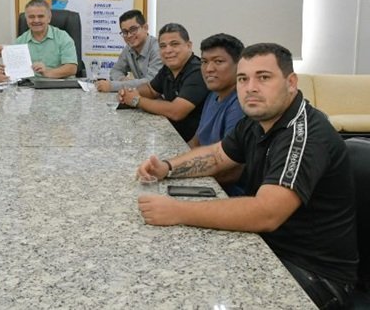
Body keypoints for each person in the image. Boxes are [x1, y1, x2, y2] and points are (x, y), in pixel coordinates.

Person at [136, 43, 357, 309]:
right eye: (243, 79)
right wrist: (167, 167)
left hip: (313, 275)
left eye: (263, 77)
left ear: (291, 83)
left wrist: (177, 211)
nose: (250, 87)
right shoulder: (257, 120)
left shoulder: (305, 135)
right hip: (266, 248)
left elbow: (266, 213)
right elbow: (217, 156)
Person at [118, 23, 209, 142]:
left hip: (191, 144)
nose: (168, 50)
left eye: (174, 44)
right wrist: (128, 93)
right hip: (170, 135)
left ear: (189, 45)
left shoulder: (197, 72)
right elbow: (151, 89)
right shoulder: (168, 68)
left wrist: (136, 100)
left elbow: (176, 111)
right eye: (163, 46)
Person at [188, 33, 244, 148]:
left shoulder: (239, 105)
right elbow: (196, 140)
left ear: (239, 65)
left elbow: (227, 157)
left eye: (218, 61)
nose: (208, 69)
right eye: (204, 62)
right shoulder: (213, 94)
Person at [95, 9, 162, 92]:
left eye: (133, 29)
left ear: (145, 28)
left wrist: (113, 86)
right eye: (125, 32)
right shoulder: (129, 48)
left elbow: (151, 82)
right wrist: (122, 80)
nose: (129, 35)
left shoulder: (158, 49)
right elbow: (115, 70)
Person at [15, 0, 78, 78]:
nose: (36, 20)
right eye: (31, 17)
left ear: (49, 18)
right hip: (30, 84)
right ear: (26, 19)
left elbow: (72, 68)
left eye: (41, 16)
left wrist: (47, 72)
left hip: (59, 83)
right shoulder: (19, 42)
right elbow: (16, 71)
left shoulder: (63, 37)